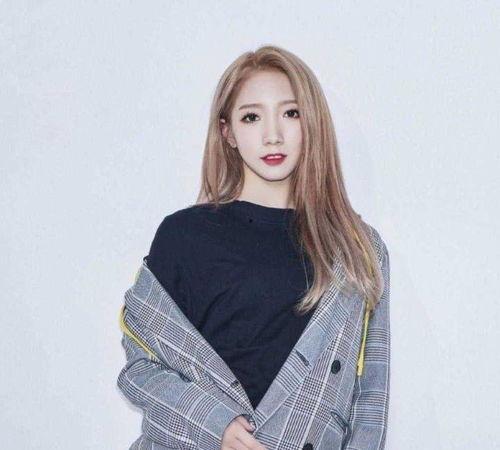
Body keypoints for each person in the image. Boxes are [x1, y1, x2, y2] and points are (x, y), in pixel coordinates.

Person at [117, 45, 391, 450]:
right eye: (251, 117)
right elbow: (141, 368)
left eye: (291, 113)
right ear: (227, 132)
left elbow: (369, 402)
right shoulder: (184, 235)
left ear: (312, 122)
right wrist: (215, 425)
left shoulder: (357, 248)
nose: (272, 135)